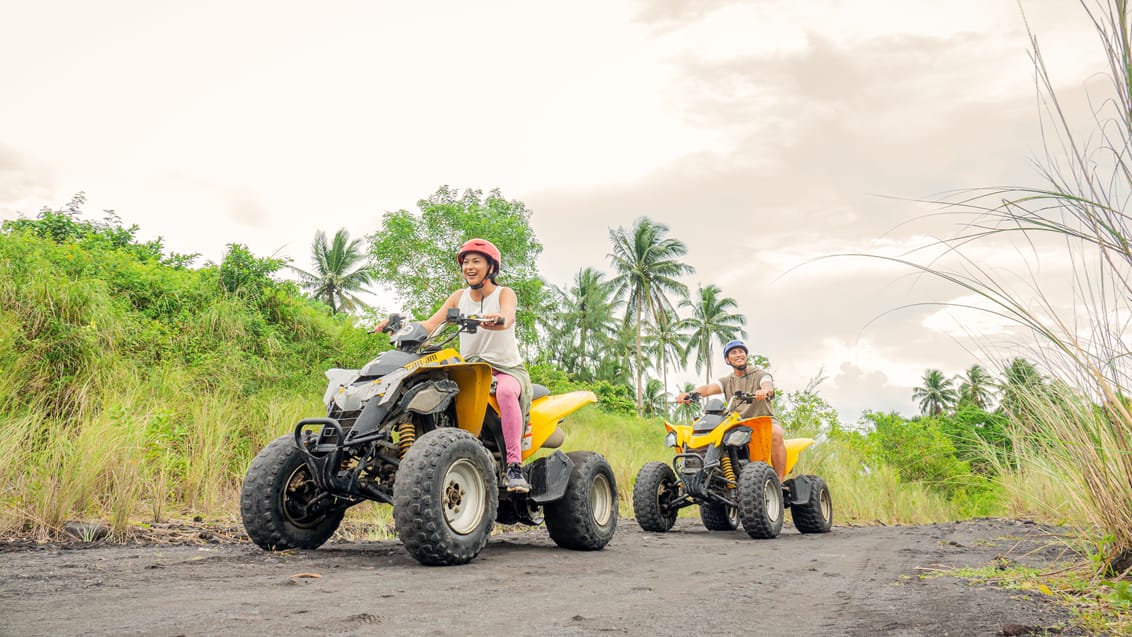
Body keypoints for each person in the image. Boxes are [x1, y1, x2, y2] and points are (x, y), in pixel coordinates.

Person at [374, 238, 532, 493]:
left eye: (476, 261)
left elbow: (508, 316)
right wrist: (397, 327)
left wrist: (498, 318)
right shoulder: (459, 297)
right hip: (470, 368)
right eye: (465, 262)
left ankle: (514, 467)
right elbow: (430, 325)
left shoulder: (505, 294)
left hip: (505, 369)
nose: (469, 266)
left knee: (504, 392)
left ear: (491, 268)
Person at [676, 340, 786, 482]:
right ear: (728, 360)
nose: (738, 354)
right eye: (734, 352)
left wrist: (764, 391)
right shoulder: (728, 381)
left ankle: (779, 481)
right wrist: (690, 394)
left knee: (776, 433)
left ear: (746, 355)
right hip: (736, 423)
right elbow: (709, 389)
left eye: (741, 351)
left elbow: (768, 385)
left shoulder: (759, 374)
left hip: (763, 420)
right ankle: (709, 477)